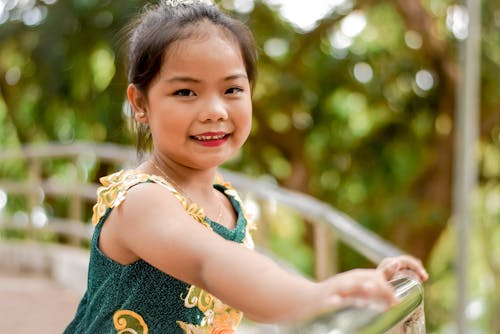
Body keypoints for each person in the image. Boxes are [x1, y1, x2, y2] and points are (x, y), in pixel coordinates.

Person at [64, 0, 428, 333]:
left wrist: (352, 294)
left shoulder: (226, 202)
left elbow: (254, 293)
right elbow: (212, 264)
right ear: (140, 103)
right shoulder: (140, 202)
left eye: (232, 90)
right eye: (186, 92)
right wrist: (315, 297)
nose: (215, 111)